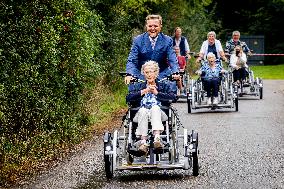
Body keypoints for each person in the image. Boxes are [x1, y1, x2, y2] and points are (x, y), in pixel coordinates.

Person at [126, 60, 177, 154]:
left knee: (155, 108)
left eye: (152, 72)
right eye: (146, 72)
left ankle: (157, 139)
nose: (149, 74)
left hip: (160, 114)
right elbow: (128, 98)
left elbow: (173, 97)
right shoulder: (139, 86)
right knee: (143, 110)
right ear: (143, 74)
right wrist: (143, 91)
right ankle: (143, 142)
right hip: (141, 114)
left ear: (156, 73)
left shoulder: (163, 85)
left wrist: (157, 93)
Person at [125, 14, 180, 85]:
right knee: (133, 89)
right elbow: (132, 60)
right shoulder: (138, 40)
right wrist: (129, 73)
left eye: (156, 26)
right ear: (146, 26)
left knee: (171, 87)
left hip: (161, 74)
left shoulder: (167, 40)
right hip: (142, 75)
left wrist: (175, 72)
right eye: (150, 26)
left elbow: (172, 59)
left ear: (160, 27)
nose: (152, 28)